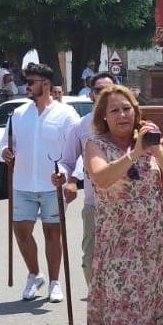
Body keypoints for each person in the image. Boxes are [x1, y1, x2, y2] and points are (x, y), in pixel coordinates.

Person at [81, 84, 163, 325]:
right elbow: (102, 178)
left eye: (127, 108)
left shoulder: (153, 142)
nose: (123, 115)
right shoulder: (95, 146)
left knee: (155, 306)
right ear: (104, 117)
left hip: (157, 242)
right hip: (120, 244)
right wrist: (136, 152)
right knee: (122, 310)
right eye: (114, 110)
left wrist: (156, 150)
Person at [0, 63, 80, 303]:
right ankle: (35, 274)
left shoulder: (66, 115)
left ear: (45, 84)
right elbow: (4, 142)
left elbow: (78, 150)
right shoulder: (18, 114)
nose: (27, 86)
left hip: (52, 186)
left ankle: (55, 282)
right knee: (21, 232)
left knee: (52, 234)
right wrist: (5, 152)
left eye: (31, 82)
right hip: (22, 183)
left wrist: (73, 180)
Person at [56, 72, 116, 287]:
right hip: (94, 204)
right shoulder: (80, 127)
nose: (105, 94)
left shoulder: (130, 122)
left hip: (127, 205)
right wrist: (64, 176)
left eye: (109, 89)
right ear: (91, 95)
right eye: (99, 90)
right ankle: (96, 301)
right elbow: (67, 160)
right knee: (91, 260)